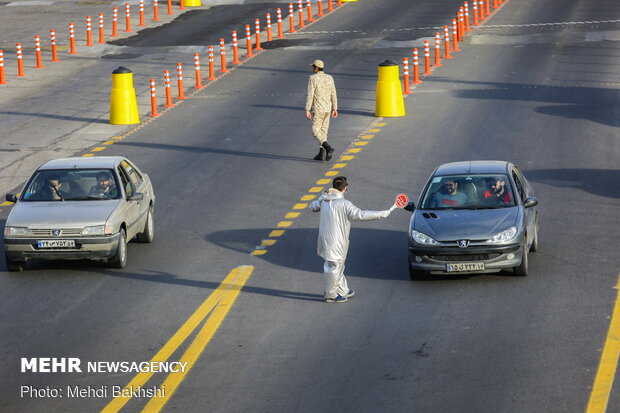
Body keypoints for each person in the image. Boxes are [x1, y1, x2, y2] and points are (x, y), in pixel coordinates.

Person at [309, 176, 395, 303]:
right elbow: (361, 214)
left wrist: (320, 199)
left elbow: (312, 207)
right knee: (333, 266)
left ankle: (343, 290)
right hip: (337, 241)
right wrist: (382, 213)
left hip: (328, 239)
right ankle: (330, 295)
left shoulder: (324, 199)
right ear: (345, 189)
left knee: (339, 264)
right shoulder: (344, 204)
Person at [305, 59, 338, 162]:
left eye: (313, 67)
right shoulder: (329, 78)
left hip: (318, 109)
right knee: (323, 131)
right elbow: (333, 93)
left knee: (315, 131)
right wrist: (335, 108)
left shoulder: (313, 78)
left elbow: (310, 94)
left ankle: (327, 147)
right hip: (328, 108)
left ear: (316, 68)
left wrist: (307, 109)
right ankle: (321, 153)